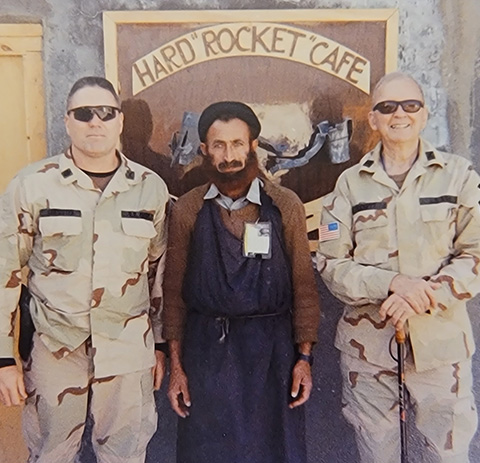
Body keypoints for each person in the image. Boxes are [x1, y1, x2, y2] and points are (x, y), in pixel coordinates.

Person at [0, 76, 169, 463]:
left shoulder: (150, 188)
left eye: (106, 113)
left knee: (126, 456)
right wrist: (3, 358)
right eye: (84, 113)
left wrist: (158, 345)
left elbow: (159, 273)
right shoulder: (31, 185)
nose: (96, 121)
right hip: (56, 348)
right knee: (51, 455)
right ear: (67, 121)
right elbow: (4, 272)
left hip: (127, 349)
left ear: (120, 121)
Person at [317, 71, 480, 463]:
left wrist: (421, 296)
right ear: (372, 119)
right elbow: (330, 262)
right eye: (387, 107)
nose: (399, 114)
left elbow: (475, 253)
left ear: (424, 114)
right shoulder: (350, 185)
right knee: (378, 456)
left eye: (410, 105)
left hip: (440, 352)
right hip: (369, 355)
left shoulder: (459, 177)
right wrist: (392, 284)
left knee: (446, 457)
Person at [162, 101, 320, 463]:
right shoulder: (188, 208)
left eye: (237, 144)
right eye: (218, 145)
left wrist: (304, 358)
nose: (228, 155)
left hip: (272, 356)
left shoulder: (284, 205)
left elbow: (304, 288)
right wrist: (177, 367)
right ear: (204, 150)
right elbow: (173, 295)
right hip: (206, 355)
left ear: (253, 146)